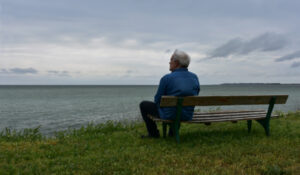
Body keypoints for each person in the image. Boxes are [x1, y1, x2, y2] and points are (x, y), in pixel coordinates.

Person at [139, 49, 200, 138]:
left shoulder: (167, 78)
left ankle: (153, 134)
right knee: (179, 105)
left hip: (170, 115)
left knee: (143, 105)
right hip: (187, 115)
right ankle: (172, 133)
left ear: (176, 63)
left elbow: (157, 100)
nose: (169, 62)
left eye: (171, 60)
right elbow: (195, 95)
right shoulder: (194, 77)